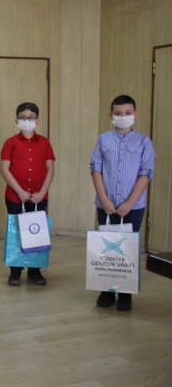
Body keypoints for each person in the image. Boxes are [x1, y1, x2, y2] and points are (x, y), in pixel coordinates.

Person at [90, 94, 154, 312]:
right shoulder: (103, 140)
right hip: (106, 205)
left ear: (135, 114)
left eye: (127, 113)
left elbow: (146, 173)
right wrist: (104, 199)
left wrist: (129, 202)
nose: (123, 116)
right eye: (118, 113)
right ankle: (106, 290)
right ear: (111, 115)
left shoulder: (144, 141)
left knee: (127, 249)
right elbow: (96, 169)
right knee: (106, 247)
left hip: (133, 207)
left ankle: (125, 293)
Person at [0, 102, 55, 286]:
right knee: (17, 232)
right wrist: (20, 192)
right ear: (16, 120)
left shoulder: (45, 142)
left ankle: (35, 271)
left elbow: (50, 169)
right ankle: (15, 271)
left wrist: (42, 192)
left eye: (31, 118)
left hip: (39, 197)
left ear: (37, 120)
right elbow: (5, 170)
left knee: (36, 232)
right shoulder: (10, 142)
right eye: (23, 117)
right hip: (15, 197)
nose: (27, 120)